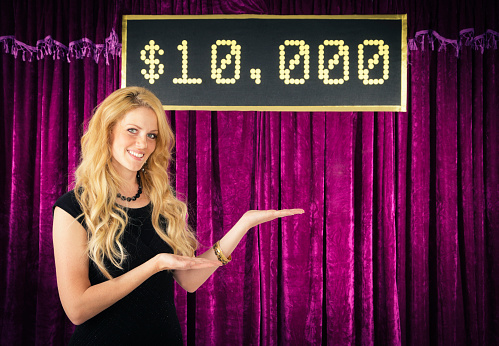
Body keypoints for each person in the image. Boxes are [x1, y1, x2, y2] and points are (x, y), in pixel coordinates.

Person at [52, 86, 304, 345]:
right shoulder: (73, 207)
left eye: (152, 135)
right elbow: (77, 309)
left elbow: (189, 280)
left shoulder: (163, 203)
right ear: (107, 132)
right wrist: (155, 265)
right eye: (132, 131)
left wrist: (243, 224)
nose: (143, 144)